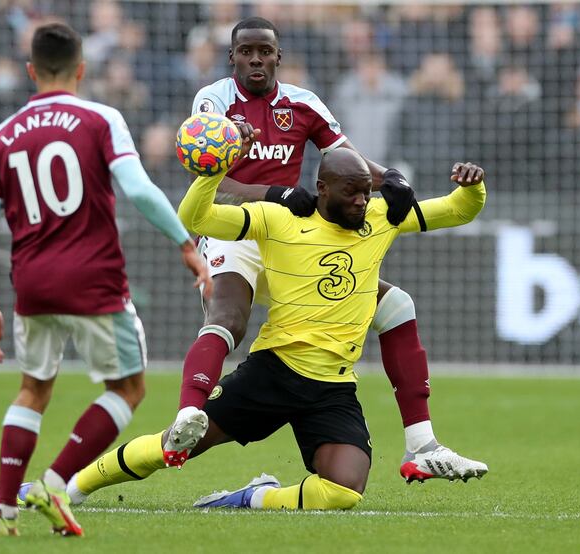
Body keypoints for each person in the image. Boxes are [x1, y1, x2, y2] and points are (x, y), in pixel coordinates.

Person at [66, 150, 488, 515]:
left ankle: (253, 498)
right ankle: (73, 486)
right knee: (174, 448)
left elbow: (458, 210)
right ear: (322, 188)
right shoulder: (277, 219)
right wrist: (212, 173)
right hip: (273, 373)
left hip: (332, 388)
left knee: (344, 491)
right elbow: (194, 217)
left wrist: (472, 186)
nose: (362, 201)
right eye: (352, 192)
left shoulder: (379, 218)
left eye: (366, 191)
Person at [164, 16, 486, 484]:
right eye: (246, 51)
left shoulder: (302, 103)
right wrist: (274, 193)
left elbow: (347, 159)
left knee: (396, 305)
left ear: (279, 55)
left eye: (265, 51)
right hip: (234, 230)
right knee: (228, 317)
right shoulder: (213, 102)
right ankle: (188, 413)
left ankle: (422, 445)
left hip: (287, 239)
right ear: (232, 56)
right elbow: (214, 182)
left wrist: (392, 178)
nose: (256, 58)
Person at [0, 22, 211, 538]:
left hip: (31, 284)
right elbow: (140, 191)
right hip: (94, 280)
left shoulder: (1, 136)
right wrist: (186, 245)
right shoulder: (101, 119)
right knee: (128, 387)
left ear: (32, 71)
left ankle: (2, 512)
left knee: (33, 389)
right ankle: (55, 483)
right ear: (81, 69)